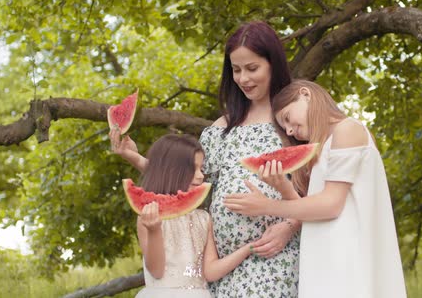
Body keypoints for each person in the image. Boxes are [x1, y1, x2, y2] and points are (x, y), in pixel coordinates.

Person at [110, 21, 300, 297]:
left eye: (252, 68)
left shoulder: (293, 123)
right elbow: (183, 180)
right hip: (218, 270)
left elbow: (319, 195)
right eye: (236, 70)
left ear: (273, 64)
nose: (243, 79)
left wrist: (290, 226)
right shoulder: (222, 127)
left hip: (272, 259)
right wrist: (134, 156)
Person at [224, 80, 408, 298]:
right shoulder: (328, 144)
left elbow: (331, 205)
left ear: (305, 95)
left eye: (288, 118)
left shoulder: (348, 129)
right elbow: (316, 210)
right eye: (285, 128)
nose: (290, 130)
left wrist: (267, 206)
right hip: (329, 262)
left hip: (348, 265)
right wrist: (284, 188)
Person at [124, 133, 254, 298]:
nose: (200, 175)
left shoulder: (203, 218)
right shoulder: (148, 216)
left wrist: (248, 249)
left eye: (202, 168)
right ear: (171, 171)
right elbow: (156, 271)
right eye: (194, 168)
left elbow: (210, 271)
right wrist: (154, 230)